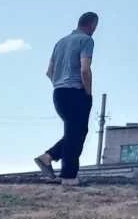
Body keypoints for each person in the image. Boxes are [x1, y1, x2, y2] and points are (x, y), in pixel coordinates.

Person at [36, 12, 98, 186]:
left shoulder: (60, 42)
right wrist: (88, 93)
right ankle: (68, 176)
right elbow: (85, 69)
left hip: (59, 92)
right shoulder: (86, 40)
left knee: (75, 132)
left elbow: (49, 71)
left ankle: (48, 157)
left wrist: (59, 83)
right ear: (92, 25)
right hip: (75, 91)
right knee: (75, 133)